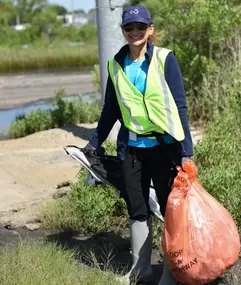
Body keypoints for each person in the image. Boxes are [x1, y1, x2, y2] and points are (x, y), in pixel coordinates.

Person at [83, 5, 194, 285]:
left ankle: (170, 274)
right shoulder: (116, 64)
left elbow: (180, 107)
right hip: (132, 151)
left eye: (140, 27)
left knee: (171, 213)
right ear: (123, 31)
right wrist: (93, 143)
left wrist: (186, 151)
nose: (134, 32)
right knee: (137, 209)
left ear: (150, 30)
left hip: (164, 149)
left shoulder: (165, 59)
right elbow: (110, 110)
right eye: (129, 28)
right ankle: (140, 270)